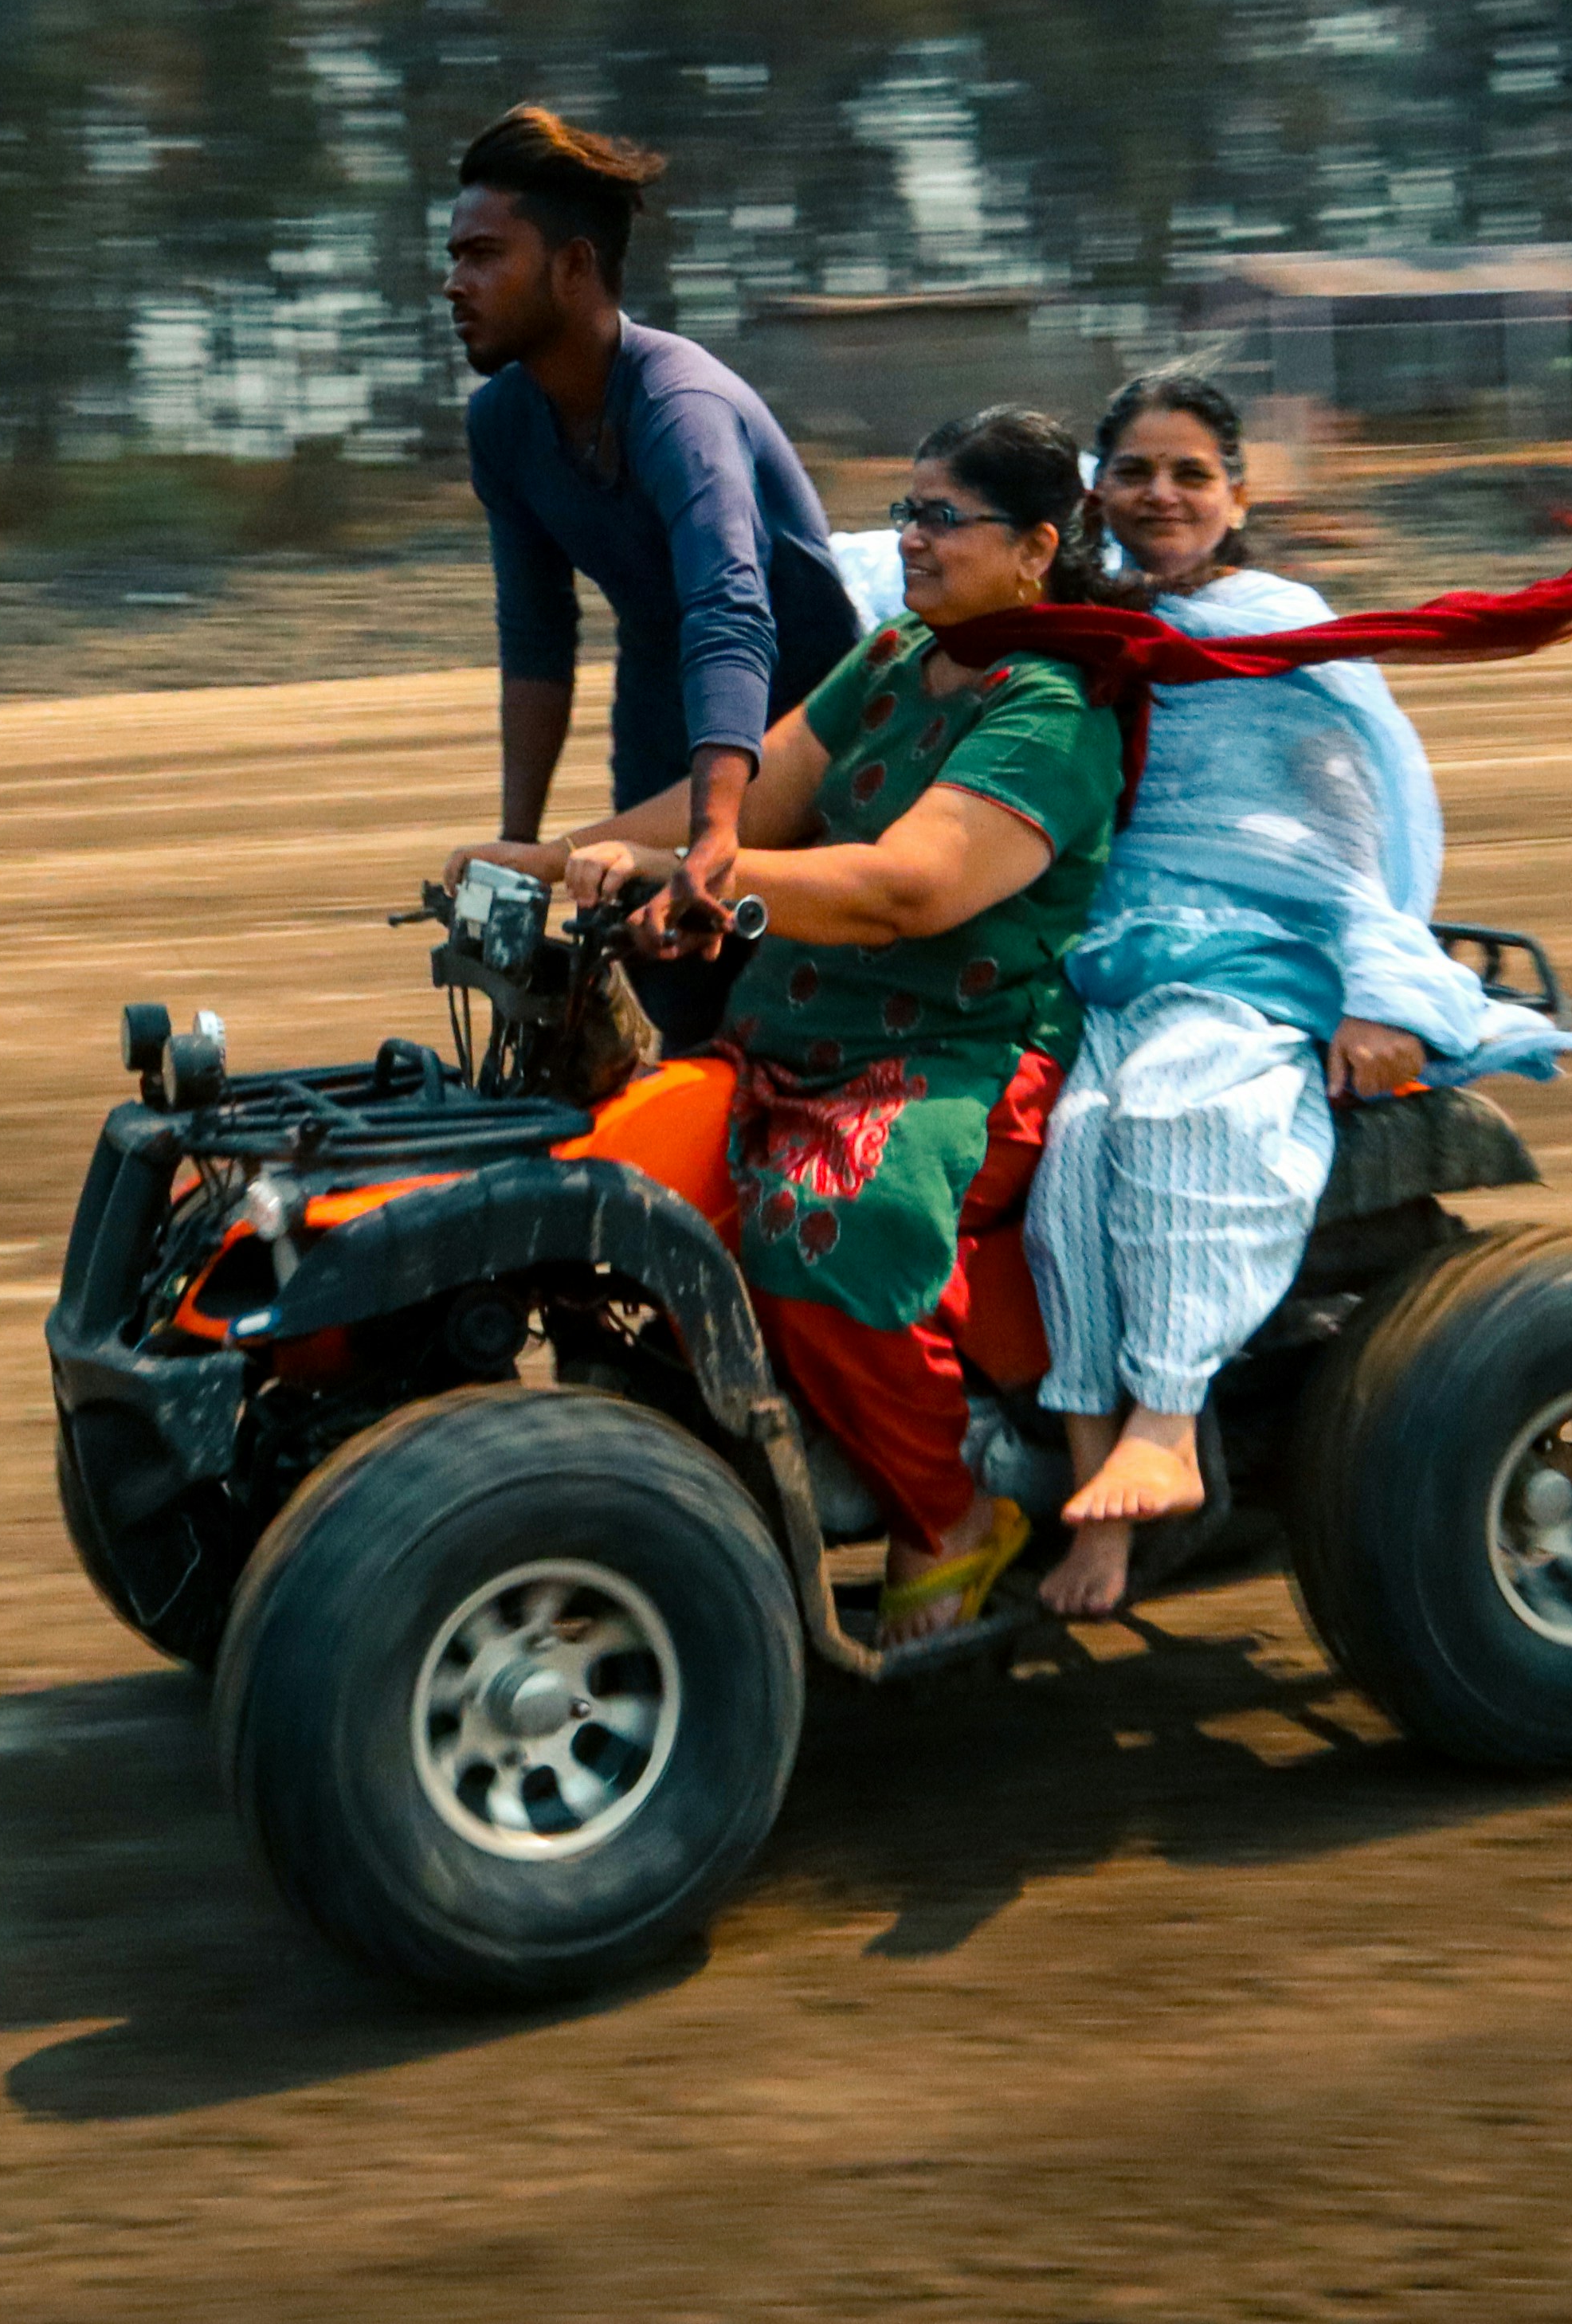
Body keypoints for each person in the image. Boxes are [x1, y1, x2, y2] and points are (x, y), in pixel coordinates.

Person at [468, 406, 1139, 1644]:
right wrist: (566, 855)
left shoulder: (1052, 711)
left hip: (956, 1057)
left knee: (828, 1219)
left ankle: (951, 1518)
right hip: (787, 1040)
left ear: (1036, 547)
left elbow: (907, 887)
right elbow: (747, 805)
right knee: (610, 1176)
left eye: (943, 516)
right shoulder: (893, 657)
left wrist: (707, 889)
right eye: (908, 511)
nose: (914, 538)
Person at [1025, 374, 1572, 1617]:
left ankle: (1168, 1422)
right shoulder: (1073, 618)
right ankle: (1093, 1508)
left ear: (1239, 495)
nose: (1161, 496)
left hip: (1263, 948)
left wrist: (1377, 994)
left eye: (1190, 474)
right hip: (1110, 949)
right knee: (1064, 1153)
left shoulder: (1282, 624)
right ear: (1093, 493)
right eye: (1134, 473)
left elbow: (1355, 834)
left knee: (1179, 1109)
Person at [448, 103, 866, 1044]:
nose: (453, 282)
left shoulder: (682, 408)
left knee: (784, 1020)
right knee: (671, 1010)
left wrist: (719, 831)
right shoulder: (502, 425)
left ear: (573, 266)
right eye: (454, 255)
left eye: (482, 255)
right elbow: (537, 636)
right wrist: (520, 849)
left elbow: (729, 612)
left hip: (807, 725)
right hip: (660, 715)